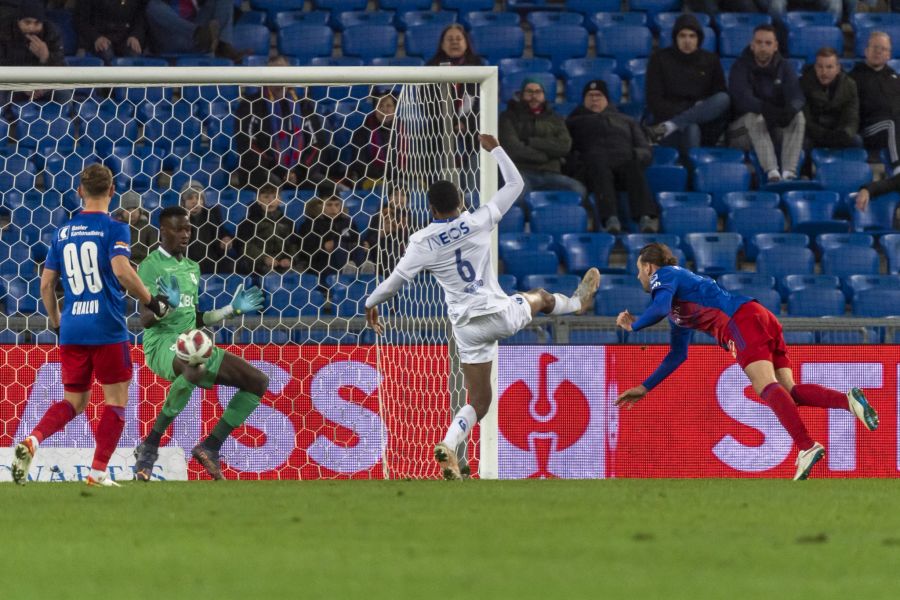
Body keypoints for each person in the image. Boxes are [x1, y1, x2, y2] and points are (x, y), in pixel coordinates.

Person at [365, 134, 601, 480]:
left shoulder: (420, 242)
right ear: (461, 201)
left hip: (466, 326)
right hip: (498, 313)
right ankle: (577, 303)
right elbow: (516, 183)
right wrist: (496, 149)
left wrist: (371, 303)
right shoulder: (479, 219)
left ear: (430, 209)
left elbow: (394, 282)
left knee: (478, 401)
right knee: (539, 296)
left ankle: (449, 442)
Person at [615, 242, 879, 481]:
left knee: (763, 385)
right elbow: (677, 354)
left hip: (739, 322)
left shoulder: (666, 274)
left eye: (639, 270)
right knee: (789, 392)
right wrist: (645, 387)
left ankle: (807, 446)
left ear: (649, 267)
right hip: (759, 316)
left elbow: (658, 307)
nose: (639, 276)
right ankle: (848, 401)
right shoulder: (678, 307)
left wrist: (634, 325)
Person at [10, 164, 173, 487]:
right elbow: (123, 271)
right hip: (107, 327)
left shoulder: (63, 232)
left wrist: (57, 324)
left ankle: (34, 439)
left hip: (72, 328)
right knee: (115, 400)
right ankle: (98, 473)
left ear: (80, 192)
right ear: (112, 192)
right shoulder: (115, 228)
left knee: (74, 401)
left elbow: (46, 286)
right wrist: (153, 302)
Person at [132, 205, 269, 481]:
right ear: (163, 231)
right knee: (193, 365)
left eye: (188, 229)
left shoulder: (192, 267)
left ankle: (210, 446)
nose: (185, 234)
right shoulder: (149, 266)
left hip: (191, 342)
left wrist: (231, 310)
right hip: (161, 345)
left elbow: (195, 317)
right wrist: (166, 305)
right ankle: (150, 445)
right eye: (178, 229)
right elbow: (146, 319)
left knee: (258, 382)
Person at [566, 80, 659, 234]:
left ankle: (645, 218)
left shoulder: (627, 121)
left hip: (623, 163)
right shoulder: (573, 122)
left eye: (598, 95)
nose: (594, 99)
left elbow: (645, 150)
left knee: (633, 166)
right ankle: (610, 219)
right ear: (583, 100)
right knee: (599, 166)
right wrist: (580, 163)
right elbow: (567, 151)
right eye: (590, 96)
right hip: (593, 168)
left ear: (607, 99)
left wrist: (634, 155)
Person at [234, 55, 337, 191]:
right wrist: (280, 171)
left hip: (300, 172)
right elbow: (247, 146)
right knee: (273, 184)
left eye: (283, 71)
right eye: (274, 72)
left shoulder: (303, 105)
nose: (279, 76)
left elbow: (318, 143)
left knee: (330, 189)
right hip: (261, 171)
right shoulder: (250, 105)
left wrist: (300, 171)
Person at [728, 24, 805, 183]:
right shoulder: (740, 66)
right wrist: (768, 110)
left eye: (768, 43)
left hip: (770, 127)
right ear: (752, 44)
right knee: (753, 117)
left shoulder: (784, 66)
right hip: (740, 133)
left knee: (798, 116)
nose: (763, 47)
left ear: (775, 46)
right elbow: (743, 99)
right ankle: (772, 173)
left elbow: (797, 96)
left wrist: (791, 109)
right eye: (759, 42)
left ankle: (789, 173)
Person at [645, 14, 730, 153]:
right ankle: (691, 173)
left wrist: (694, 112)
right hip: (669, 122)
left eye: (692, 36)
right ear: (675, 38)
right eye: (682, 36)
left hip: (704, 124)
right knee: (691, 127)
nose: (687, 41)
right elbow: (654, 102)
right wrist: (690, 108)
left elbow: (719, 98)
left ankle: (672, 125)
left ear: (699, 39)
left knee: (724, 98)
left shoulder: (711, 60)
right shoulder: (659, 59)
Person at [498, 78, 587, 209]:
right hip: (521, 171)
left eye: (538, 92)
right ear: (522, 94)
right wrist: (545, 155)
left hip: (551, 172)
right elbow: (513, 149)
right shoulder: (508, 117)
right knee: (517, 197)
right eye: (529, 92)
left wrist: (531, 142)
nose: (534, 96)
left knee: (578, 190)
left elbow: (564, 146)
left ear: (544, 95)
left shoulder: (555, 118)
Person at [850, 32, 900, 177]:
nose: (878, 51)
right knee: (891, 123)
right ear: (866, 51)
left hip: (895, 126)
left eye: (883, 49)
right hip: (868, 129)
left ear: (889, 55)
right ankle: (898, 167)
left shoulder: (895, 77)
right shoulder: (854, 77)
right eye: (875, 47)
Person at [144, 0, 248, 61]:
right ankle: (199, 34)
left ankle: (223, 45)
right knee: (153, 5)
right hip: (170, 36)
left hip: (200, 36)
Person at [800, 47, 860, 151]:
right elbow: (805, 119)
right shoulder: (803, 84)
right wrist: (824, 135)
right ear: (815, 67)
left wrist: (844, 133)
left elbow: (852, 117)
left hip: (839, 132)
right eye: (820, 67)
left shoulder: (849, 85)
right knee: (804, 143)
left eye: (829, 67)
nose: (824, 72)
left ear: (837, 68)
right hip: (814, 134)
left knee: (857, 141)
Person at [236, 183, 303, 276]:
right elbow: (245, 246)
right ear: (258, 200)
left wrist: (289, 258)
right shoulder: (248, 222)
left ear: (279, 200)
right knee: (271, 276)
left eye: (274, 197)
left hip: (282, 262)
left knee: (294, 274)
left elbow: (293, 244)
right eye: (266, 197)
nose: (271, 200)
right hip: (258, 264)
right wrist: (264, 258)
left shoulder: (288, 222)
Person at [180, 180, 243, 274]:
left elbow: (221, 232)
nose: (195, 201)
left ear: (203, 201)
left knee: (230, 265)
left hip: (211, 260)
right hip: (186, 263)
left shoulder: (211, 214)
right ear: (183, 201)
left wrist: (226, 239)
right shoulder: (177, 217)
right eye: (190, 198)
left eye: (199, 198)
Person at [300, 194, 361, 283]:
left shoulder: (348, 222)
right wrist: (323, 247)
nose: (333, 208)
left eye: (337, 205)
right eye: (329, 205)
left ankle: (363, 270)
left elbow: (357, 239)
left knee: (359, 247)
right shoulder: (310, 224)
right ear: (320, 206)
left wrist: (363, 244)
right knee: (337, 246)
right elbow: (306, 251)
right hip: (322, 262)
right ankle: (347, 269)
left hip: (351, 259)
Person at [346, 92, 397, 189]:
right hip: (371, 178)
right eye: (380, 106)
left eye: (389, 106)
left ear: (395, 109)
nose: (384, 110)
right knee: (383, 188)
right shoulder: (362, 132)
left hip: (399, 179)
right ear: (374, 109)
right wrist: (386, 174)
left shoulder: (403, 131)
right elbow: (359, 163)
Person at [75, 0, 145, 64]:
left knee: (134, 53)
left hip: (125, 36)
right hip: (99, 36)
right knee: (106, 53)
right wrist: (96, 37)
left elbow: (140, 17)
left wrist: (135, 35)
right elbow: (81, 20)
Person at [112, 190, 156, 264]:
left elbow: (154, 253)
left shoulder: (149, 229)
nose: (132, 212)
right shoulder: (116, 229)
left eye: (135, 208)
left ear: (140, 211)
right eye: (128, 209)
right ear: (121, 211)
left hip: (143, 266)